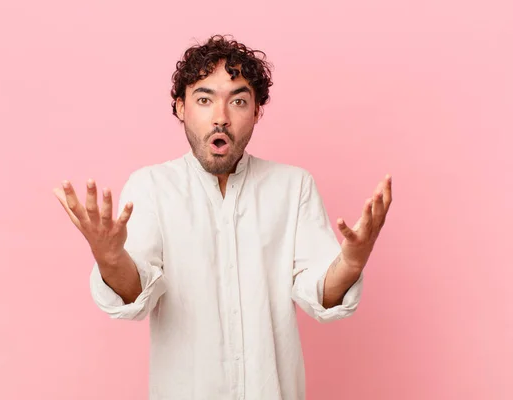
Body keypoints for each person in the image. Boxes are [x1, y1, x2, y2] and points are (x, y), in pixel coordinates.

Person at [53, 34, 392, 400]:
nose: (221, 118)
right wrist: (110, 257)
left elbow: (321, 295)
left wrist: (353, 262)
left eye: (239, 101)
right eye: (204, 99)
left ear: (257, 111)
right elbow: (136, 297)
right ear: (181, 107)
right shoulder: (151, 186)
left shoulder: (293, 187)